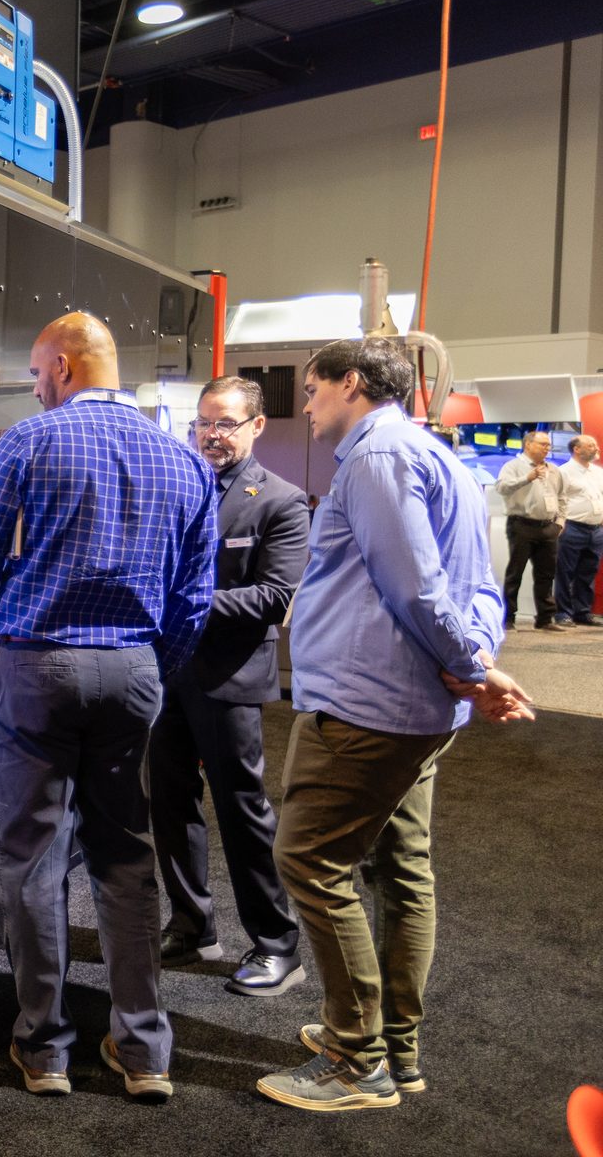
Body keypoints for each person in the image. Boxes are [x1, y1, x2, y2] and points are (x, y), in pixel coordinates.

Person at [0, 313, 215, 1103]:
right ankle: (145, 1050)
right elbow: (193, 599)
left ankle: (45, 1049)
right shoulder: (184, 460)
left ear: (62, 365)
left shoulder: (28, 443)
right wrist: (148, 671)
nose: (33, 386)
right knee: (126, 858)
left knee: (30, 861)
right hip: (132, 669)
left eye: (34, 372)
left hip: (33, 667)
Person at [257, 338, 534, 1113]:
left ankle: (357, 1061)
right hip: (412, 708)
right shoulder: (438, 456)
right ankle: (394, 1050)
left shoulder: (376, 458)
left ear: (351, 382)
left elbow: (412, 588)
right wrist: (473, 661)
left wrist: (473, 669)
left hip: (365, 705)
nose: (306, 404)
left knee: (310, 861)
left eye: (313, 389)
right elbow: (477, 586)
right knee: (402, 873)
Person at [149, 376, 307, 995]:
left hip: (230, 677)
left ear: (256, 426)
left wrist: (185, 602)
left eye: (225, 424)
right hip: (163, 675)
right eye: (203, 423)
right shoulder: (174, 487)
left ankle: (276, 944)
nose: (211, 435)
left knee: (243, 812)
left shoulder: (282, 501)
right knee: (170, 804)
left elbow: (274, 597)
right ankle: (191, 924)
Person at [495, 431, 567, 631]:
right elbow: (501, 487)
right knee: (515, 573)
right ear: (528, 444)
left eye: (548, 445)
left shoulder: (554, 469)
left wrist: (560, 522)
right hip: (522, 525)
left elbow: (561, 497)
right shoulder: (513, 466)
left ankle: (545, 619)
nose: (547, 448)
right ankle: (508, 618)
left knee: (546, 574)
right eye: (543, 444)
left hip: (548, 527)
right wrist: (527, 478)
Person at [554, 434, 603, 626]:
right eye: (591, 445)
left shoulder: (598, 472)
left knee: (588, 572)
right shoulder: (563, 472)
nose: (596, 448)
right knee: (565, 572)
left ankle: (582, 612)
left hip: (596, 529)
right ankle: (563, 613)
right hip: (572, 527)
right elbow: (556, 499)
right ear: (577, 449)